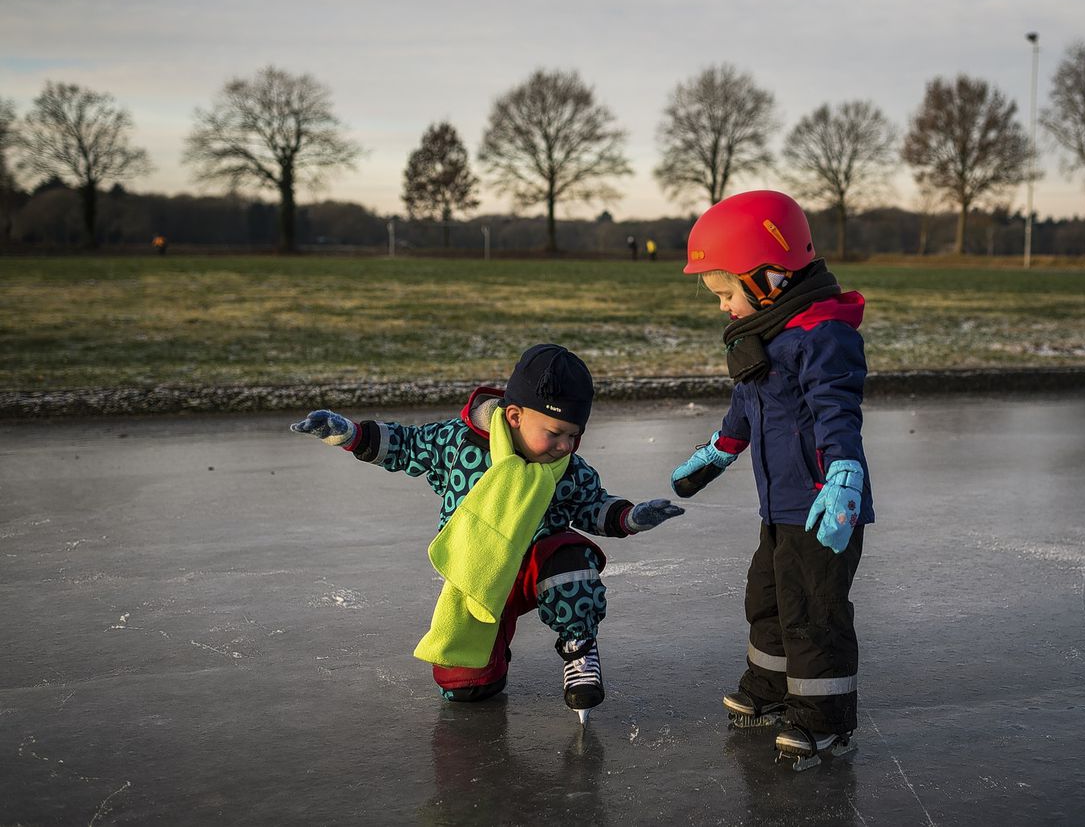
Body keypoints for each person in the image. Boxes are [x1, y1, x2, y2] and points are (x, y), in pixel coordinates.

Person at [291, 344, 683, 724]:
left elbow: (591, 505)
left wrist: (632, 517)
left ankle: (579, 647)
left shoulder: (565, 467)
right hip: (476, 576)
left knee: (570, 558)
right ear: (514, 416)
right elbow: (406, 446)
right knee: (468, 690)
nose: (565, 445)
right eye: (555, 432)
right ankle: (488, 662)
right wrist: (348, 434)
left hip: (537, 567)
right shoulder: (457, 443)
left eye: (574, 435)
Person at [669, 190, 874, 771]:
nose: (722, 306)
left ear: (772, 276)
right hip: (779, 508)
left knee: (814, 612)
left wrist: (844, 476)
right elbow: (748, 408)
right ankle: (773, 687)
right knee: (767, 599)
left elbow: (837, 410)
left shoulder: (820, 336)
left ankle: (824, 718)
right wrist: (716, 452)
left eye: (726, 292)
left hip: (823, 506)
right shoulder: (768, 336)